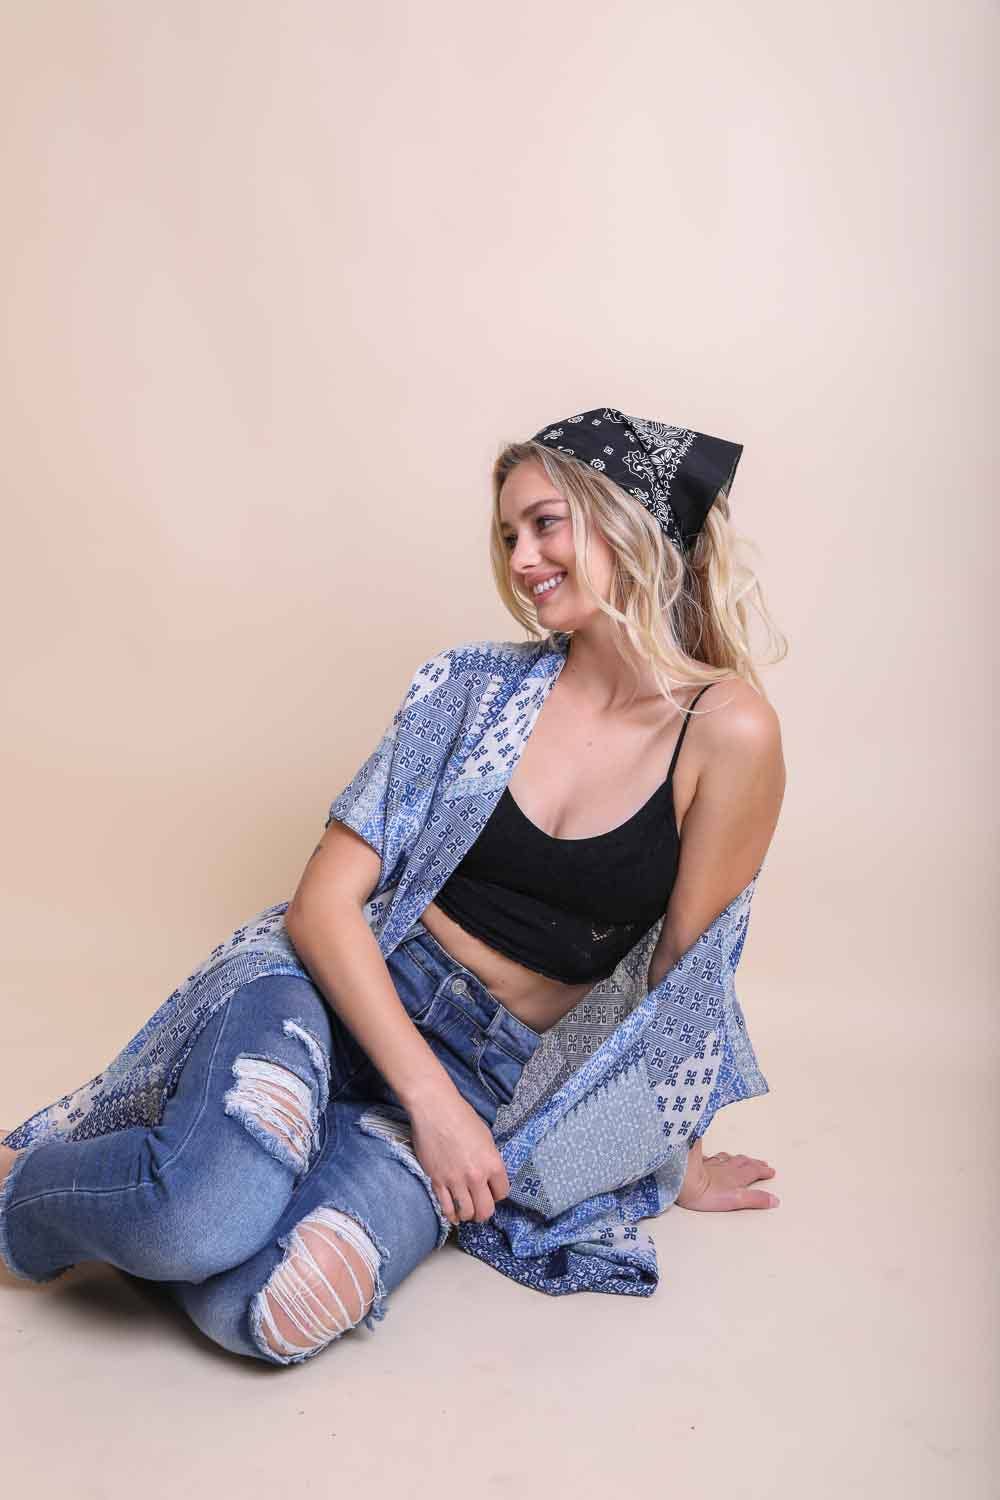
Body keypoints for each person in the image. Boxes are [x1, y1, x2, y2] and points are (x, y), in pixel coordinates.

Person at [0, 406, 787, 1366]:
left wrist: (678, 1161)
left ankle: (204, 1179)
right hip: (335, 986)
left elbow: (685, 982)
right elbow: (322, 906)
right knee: (198, 1220)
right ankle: (25, 1194)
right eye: (508, 535)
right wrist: (431, 1102)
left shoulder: (728, 731)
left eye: (545, 524)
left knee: (282, 1309)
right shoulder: (471, 689)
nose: (520, 559)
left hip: (490, 1073)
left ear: (625, 522)